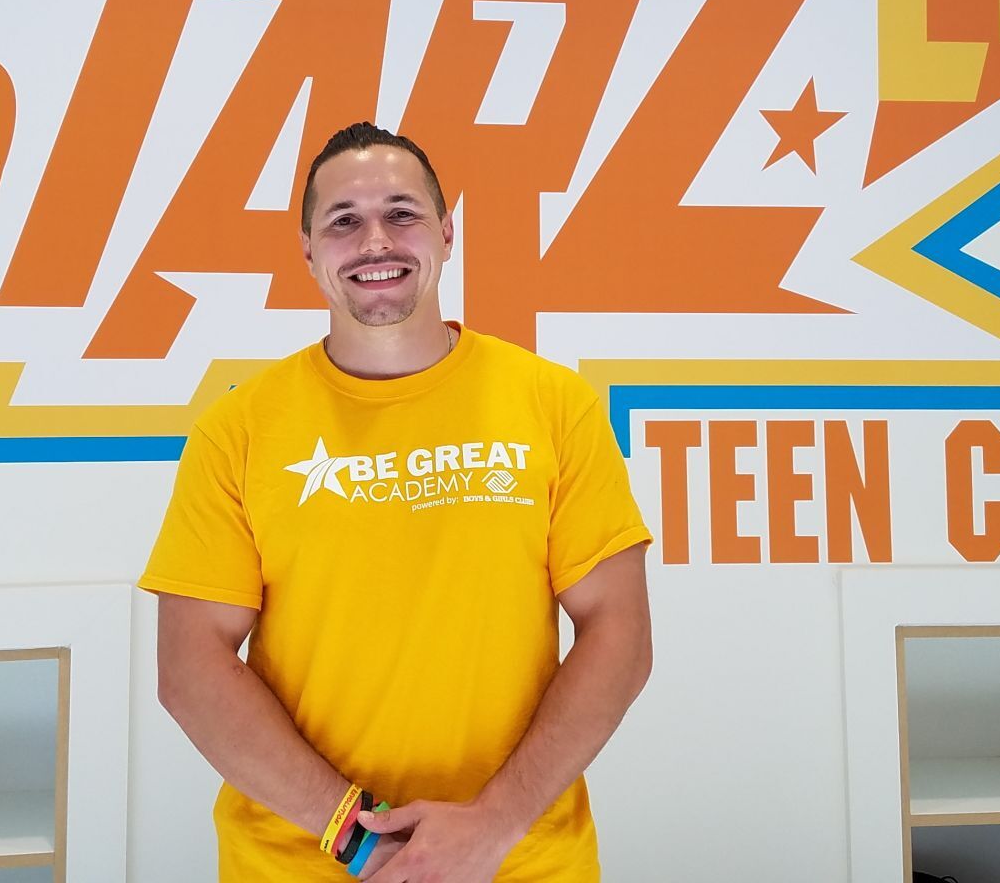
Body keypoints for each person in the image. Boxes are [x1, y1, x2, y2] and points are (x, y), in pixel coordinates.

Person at [139, 121, 653, 881]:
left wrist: (493, 825)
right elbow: (191, 665)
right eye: (343, 220)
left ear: (446, 232)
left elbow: (619, 632)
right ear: (308, 250)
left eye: (401, 213)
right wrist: (361, 839)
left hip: (521, 861)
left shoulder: (554, 406)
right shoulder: (239, 429)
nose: (375, 240)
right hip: (299, 863)